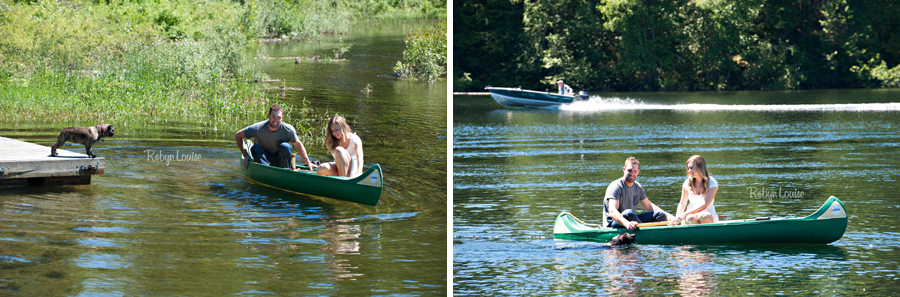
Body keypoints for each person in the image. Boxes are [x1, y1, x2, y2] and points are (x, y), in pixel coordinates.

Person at [235, 104, 316, 170]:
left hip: (281, 160)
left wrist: (308, 162)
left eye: (278, 117)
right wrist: (246, 155)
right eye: (273, 116)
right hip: (264, 158)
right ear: (268, 116)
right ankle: (268, 170)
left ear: (282, 118)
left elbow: (298, 145)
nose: (276, 120)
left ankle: (286, 171)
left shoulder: (288, 129)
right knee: (255, 148)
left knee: (286, 146)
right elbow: (238, 135)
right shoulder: (257, 128)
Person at [604, 157, 675, 230]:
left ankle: (647, 230)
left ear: (638, 172)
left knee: (661, 215)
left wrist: (669, 216)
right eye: (629, 170)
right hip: (614, 224)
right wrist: (627, 224)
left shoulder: (638, 187)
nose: (632, 174)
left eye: (635, 171)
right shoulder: (616, 186)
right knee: (629, 213)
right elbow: (612, 211)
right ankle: (645, 230)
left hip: (632, 222)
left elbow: (649, 206)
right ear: (624, 169)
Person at [670, 155, 719, 225]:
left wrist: (685, 214)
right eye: (688, 168)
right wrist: (677, 217)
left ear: (700, 167)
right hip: (690, 216)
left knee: (703, 216)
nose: (689, 171)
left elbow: (705, 204)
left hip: (708, 214)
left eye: (691, 168)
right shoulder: (687, 183)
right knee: (691, 219)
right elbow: (682, 203)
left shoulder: (712, 183)